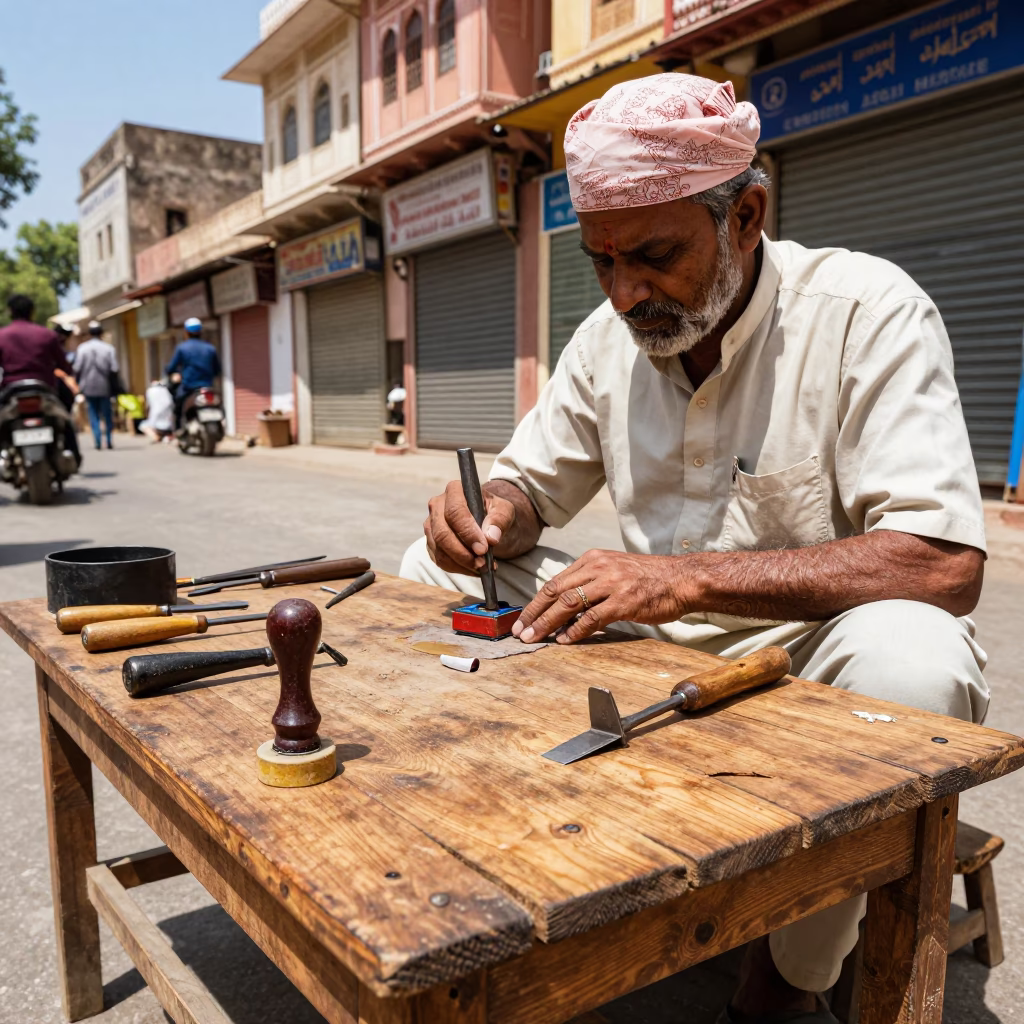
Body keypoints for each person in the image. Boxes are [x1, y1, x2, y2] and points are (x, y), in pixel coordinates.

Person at [400, 74, 987, 1024]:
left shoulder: (867, 311)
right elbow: (528, 485)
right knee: (431, 564)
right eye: (600, 263)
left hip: (801, 669)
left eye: (656, 256)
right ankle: (501, 844)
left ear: (746, 214)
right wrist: (492, 512)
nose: (628, 293)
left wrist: (685, 580)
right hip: (648, 653)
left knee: (911, 660)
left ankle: (788, 980)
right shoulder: (608, 339)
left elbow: (942, 563)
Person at [0, 294, 68, 390]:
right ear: (32, 312)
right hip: (44, 388)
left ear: (10, 311)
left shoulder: (2, 336)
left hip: (10, 389)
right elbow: (63, 365)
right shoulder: (48, 335)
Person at [73, 320, 119, 450]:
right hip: (104, 386)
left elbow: (77, 368)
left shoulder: (82, 348)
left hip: (87, 386)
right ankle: (109, 440)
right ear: (101, 333)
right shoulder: (109, 348)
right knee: (107, 414)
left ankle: (98, 441)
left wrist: (78, 384)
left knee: (93, 414)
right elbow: (114, 369)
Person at [166, 318, 220, 428]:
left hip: (188, 387)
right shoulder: (210, 348)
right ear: (200, 332)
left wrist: (173, 373)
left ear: (186, 332)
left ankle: (179, 430)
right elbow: (217, 369)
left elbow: (171, 367)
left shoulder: (182, 348)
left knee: (178, 406)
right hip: (207, 386)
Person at [139, 378, 175, 442]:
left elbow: (149, 405)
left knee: (143, 425)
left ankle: (156, 436)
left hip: (155, 423)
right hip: (169, 424)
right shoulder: (165, 390)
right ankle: (165, 436)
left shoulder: (150, 391)